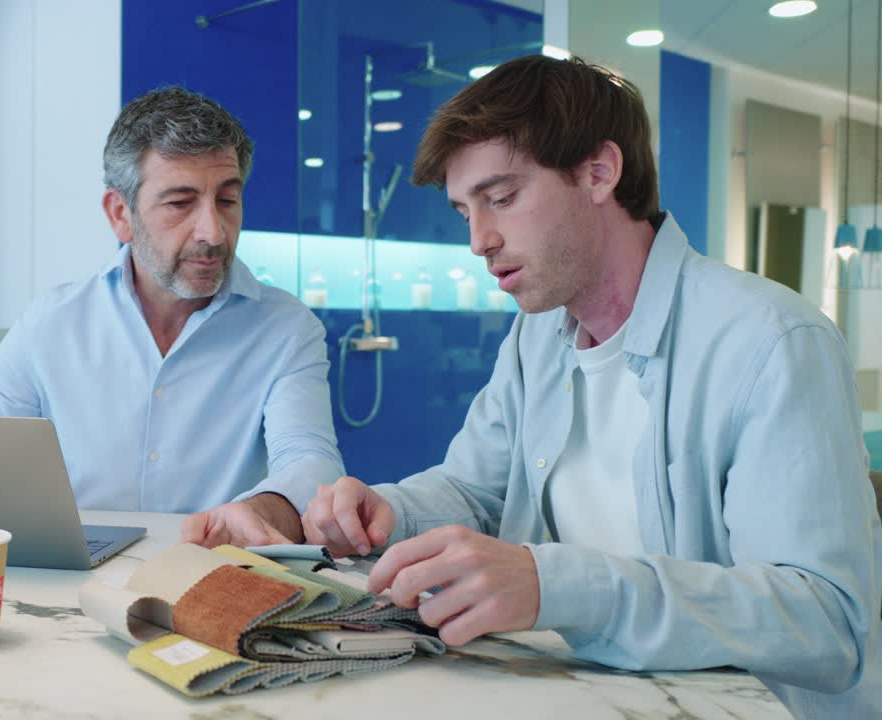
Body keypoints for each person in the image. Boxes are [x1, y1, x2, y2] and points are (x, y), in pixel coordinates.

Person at [301, 55, 881, 718]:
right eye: (466, 211)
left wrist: (560, 587)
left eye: (501, 197)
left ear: (599, 172)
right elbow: (474, 491)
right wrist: (386, 513)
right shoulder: (537, 336)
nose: (478, 241)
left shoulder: (772, 342)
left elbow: (827, 622)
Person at [0, 86, 344, 546]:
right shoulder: (52, 323)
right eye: (180, 203)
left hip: (215, 573)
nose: (213, 232)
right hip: (71, 579)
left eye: (227, 200)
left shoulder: (286, 329)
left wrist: (260, 509)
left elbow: (310, 460)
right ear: (121, 214)